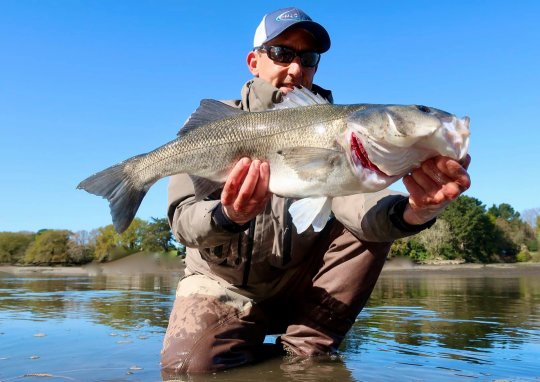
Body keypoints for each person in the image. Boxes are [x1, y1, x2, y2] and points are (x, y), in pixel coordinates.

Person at [160, 7, 471, 375]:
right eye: (281, 53)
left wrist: (414, 213)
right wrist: (229, 216)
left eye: (308, 58)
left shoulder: (345, 132)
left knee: (375, 222)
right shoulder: (214, 126)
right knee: (190, 370)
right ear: (253, 60)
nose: (296, 69)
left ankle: (306, 351)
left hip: (301, 286)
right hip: (224, 284)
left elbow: (361, 207)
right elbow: (182, 224)